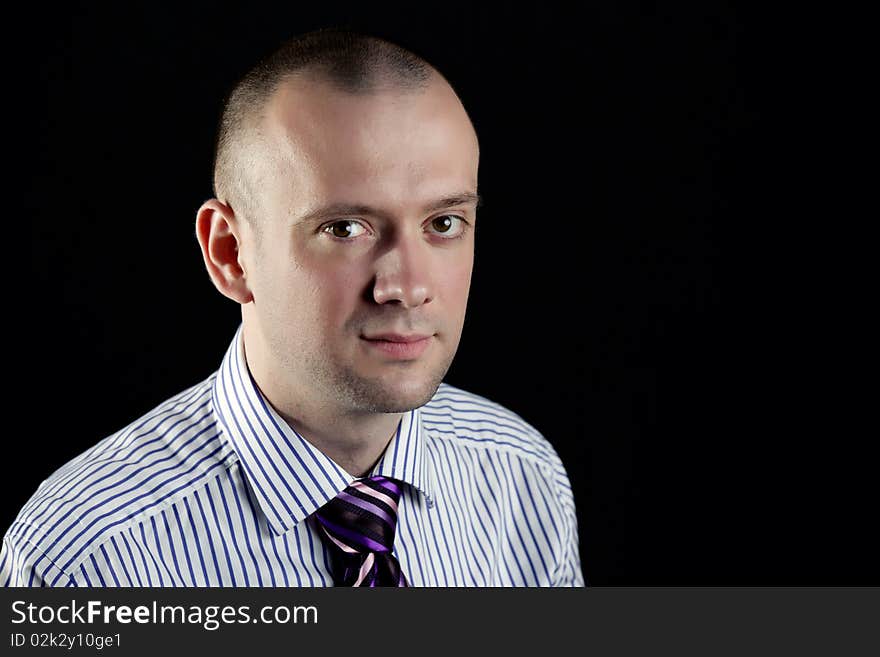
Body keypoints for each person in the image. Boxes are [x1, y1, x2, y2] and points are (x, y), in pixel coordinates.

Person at [2, 28, 584, 587]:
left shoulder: (522, 478)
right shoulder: (86, 561)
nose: (406, 287)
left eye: (444, 223)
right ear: (230, 254)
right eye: (345, 227)